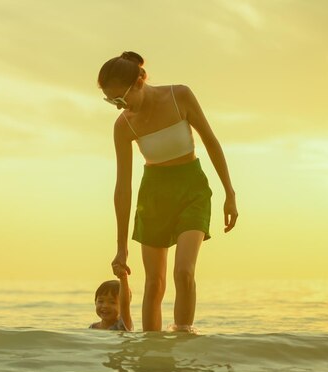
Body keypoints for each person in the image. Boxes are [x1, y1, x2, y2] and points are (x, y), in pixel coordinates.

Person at [98, 51, 238, 332]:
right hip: (153, 197)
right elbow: (122, 188)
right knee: (154, 283)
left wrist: (229, 193)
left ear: (139, 81)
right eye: (110, 101)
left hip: (192, 189)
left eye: (121, 99)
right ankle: (154, 363)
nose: (117, 107)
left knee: (184, 272)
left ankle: (184, 346)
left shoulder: (180, 97)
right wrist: (121, 247)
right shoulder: (123, 125)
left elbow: (211, 141)